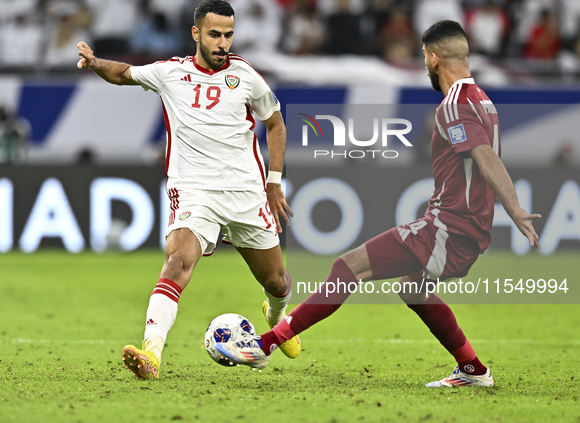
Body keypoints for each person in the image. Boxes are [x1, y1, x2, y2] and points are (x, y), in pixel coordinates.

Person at [215, 20, 542, 388]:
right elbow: (481, 157)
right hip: (464, 226)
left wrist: (513, 207)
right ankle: (473, 369)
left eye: (422, 56)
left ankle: (263, 345)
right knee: (411, 286)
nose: (423, 63)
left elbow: (484, 155)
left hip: (449, 227)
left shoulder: (453, 105)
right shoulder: (483, 100)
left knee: (348, 266)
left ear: (434, 59)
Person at [76, 0, 300, 380]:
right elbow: (124, 73)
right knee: (178, 262)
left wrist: (274, 182)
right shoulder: (170, 73)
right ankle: (152, 354)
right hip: (194, 191)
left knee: (277, 282)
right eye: (215, 34)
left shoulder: (246, 76)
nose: (223, 43)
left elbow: (276, 124)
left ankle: (278, 321)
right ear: (196, 33)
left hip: (245, 192)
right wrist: (95, 62)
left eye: (229, 35)